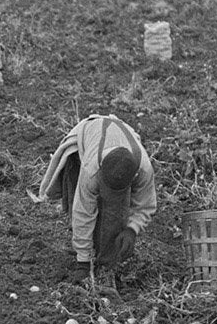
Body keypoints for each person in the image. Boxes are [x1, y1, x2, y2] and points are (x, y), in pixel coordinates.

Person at [38, 114, 157, 278]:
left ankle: (107, 265)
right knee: (79, 203)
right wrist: (83, 264)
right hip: (89, 134)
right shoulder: (91, 170)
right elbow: (83, 212)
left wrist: (132, 229)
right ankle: (86, 254)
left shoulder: (143, 169)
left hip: (121, 134)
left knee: (115, 215)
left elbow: (146, 204)